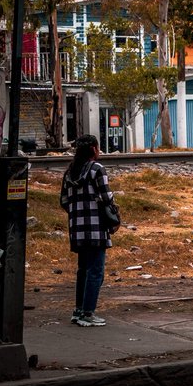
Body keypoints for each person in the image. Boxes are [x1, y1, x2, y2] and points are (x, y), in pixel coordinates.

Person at [60, 134, 114, 327]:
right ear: (93, 149)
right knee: (96, 271)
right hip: (96, 228)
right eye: (98, 148)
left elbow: (64, 201)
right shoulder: (97, 169)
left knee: (83, 270)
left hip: (77, 229)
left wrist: (78, 213)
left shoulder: (69, 172)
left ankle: (78, 310)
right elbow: (107, 197)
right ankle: (88, 313)